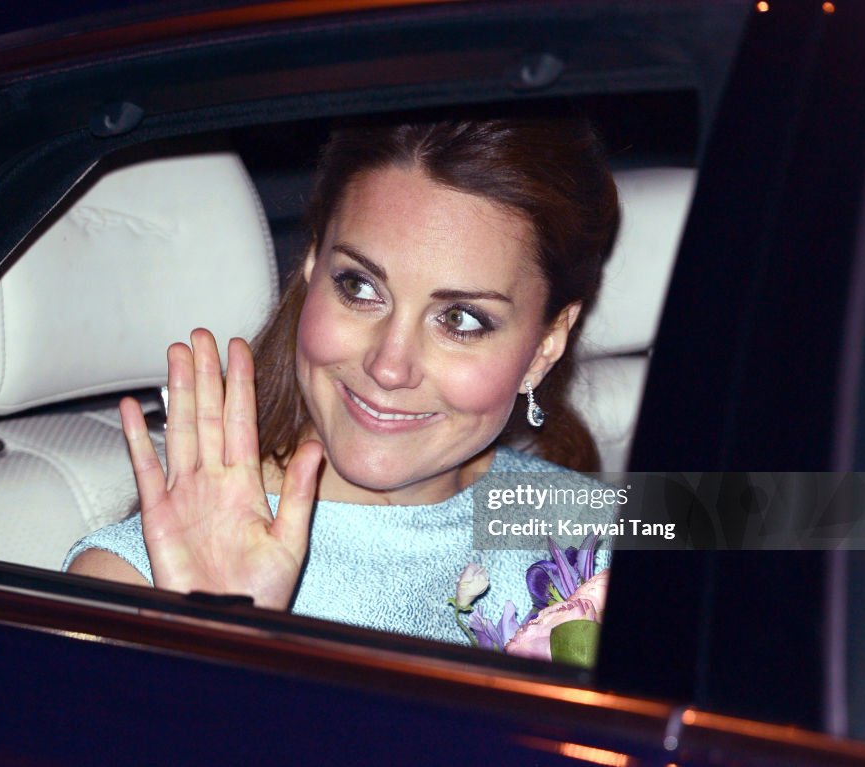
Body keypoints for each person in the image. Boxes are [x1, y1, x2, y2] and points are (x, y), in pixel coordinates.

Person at [64, 117, 621, 644]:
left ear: (546, 345)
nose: (388, 365)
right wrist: (222, 643)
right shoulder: (132, 583)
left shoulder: (605, 515)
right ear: (311, 268)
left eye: (461, 319)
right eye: (359, 287)